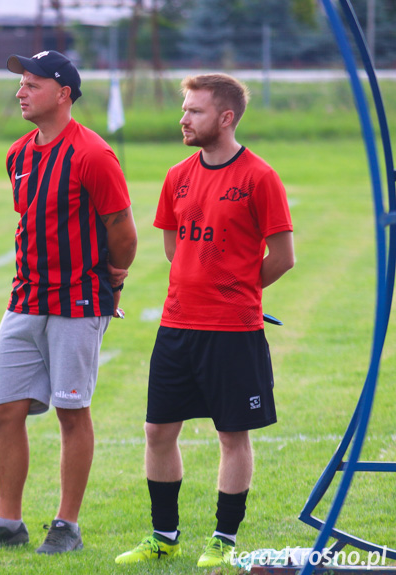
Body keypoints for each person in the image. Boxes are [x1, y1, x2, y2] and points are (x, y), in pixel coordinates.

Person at [0, 50, 137, 555]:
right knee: (4, 408)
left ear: (63, 93)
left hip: (78, 301)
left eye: (32, 84)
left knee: (71, 411)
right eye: (21, 84)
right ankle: (8, 524)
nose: (20, 92)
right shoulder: (18, 154)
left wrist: (112, 285)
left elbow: (123, 232)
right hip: (26, 296)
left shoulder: (94, 155)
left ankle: (67, 526)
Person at [114, 73, 294, 568]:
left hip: (234, 331)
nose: (183, 119)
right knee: (157, 431)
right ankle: (164, 536)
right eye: (185, 108)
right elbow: (174, 247)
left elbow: (283, 256)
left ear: (226, 117)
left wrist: (239, 288)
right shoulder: (178, 175)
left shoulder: (259, 176)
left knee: (232, 435)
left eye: (194, 111)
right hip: (177, 327)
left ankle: (223, 540)